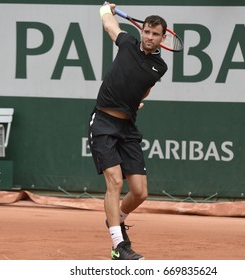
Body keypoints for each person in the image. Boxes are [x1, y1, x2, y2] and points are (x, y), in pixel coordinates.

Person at [88, 2, 168, 259]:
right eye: (146, 31)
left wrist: (137, 102)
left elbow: (144, 88)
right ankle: (118, 245)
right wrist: (104, 9)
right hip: (102, 122)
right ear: (141, 31)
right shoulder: (127, 43)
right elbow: (110, 24)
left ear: (163, 39)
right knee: (114, 181)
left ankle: (116, 220)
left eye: (155, 34)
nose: (149, 37)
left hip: (127, 126)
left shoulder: (160, 67)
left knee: (140, 192)